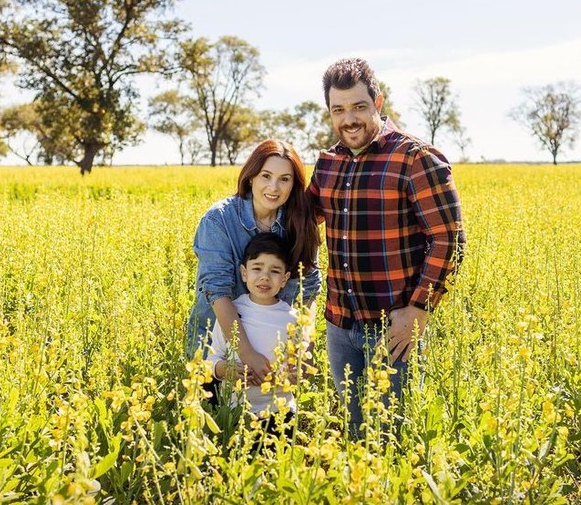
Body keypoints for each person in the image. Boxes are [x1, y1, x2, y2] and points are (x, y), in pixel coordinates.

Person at [307, 57, 465, 436]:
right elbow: (299, 220)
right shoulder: (328, 164)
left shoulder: (414, 157)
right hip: (338, 324)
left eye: (359, 107)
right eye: (339, 109)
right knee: (354, 434)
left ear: (378, 104)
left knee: (396, 439)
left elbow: (449, 238)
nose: (349, 119)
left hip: (393, 329)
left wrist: (419, 308)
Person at [186, 139, 321, 392]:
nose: (273, 187)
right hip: (220, 355)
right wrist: (247, 354)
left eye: (284, 179)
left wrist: (304, 351)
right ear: (250, 177)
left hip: (275, 356)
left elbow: (308, 292)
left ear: (294, 185)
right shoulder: (219, 220)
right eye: (266, 176)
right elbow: (218, 292)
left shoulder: (301, 223)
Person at [206, 233, 311, 418]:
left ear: (285, 279)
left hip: (280, 413)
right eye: (257, 268)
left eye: (275, 271)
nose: (265, 277)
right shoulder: (231, 312)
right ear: (244, 273)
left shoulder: (293, 319)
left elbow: (301, 372)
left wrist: (291, 377)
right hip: (233, 412)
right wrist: (226, 370)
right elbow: (211, 362)